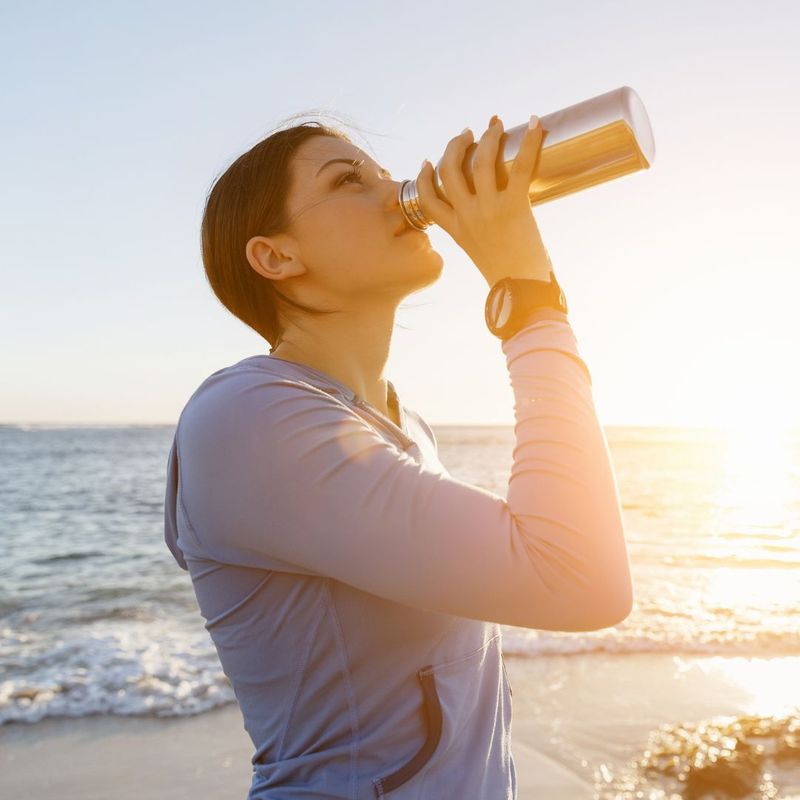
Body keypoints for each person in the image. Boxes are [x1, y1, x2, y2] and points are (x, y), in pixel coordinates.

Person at [163, 112, 633, 799]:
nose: (397, 192)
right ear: (276, 257)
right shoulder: (246, 417)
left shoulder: (397, 423)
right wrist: (525, 292)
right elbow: (579, 576)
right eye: (349, 179)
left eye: (386, 174)